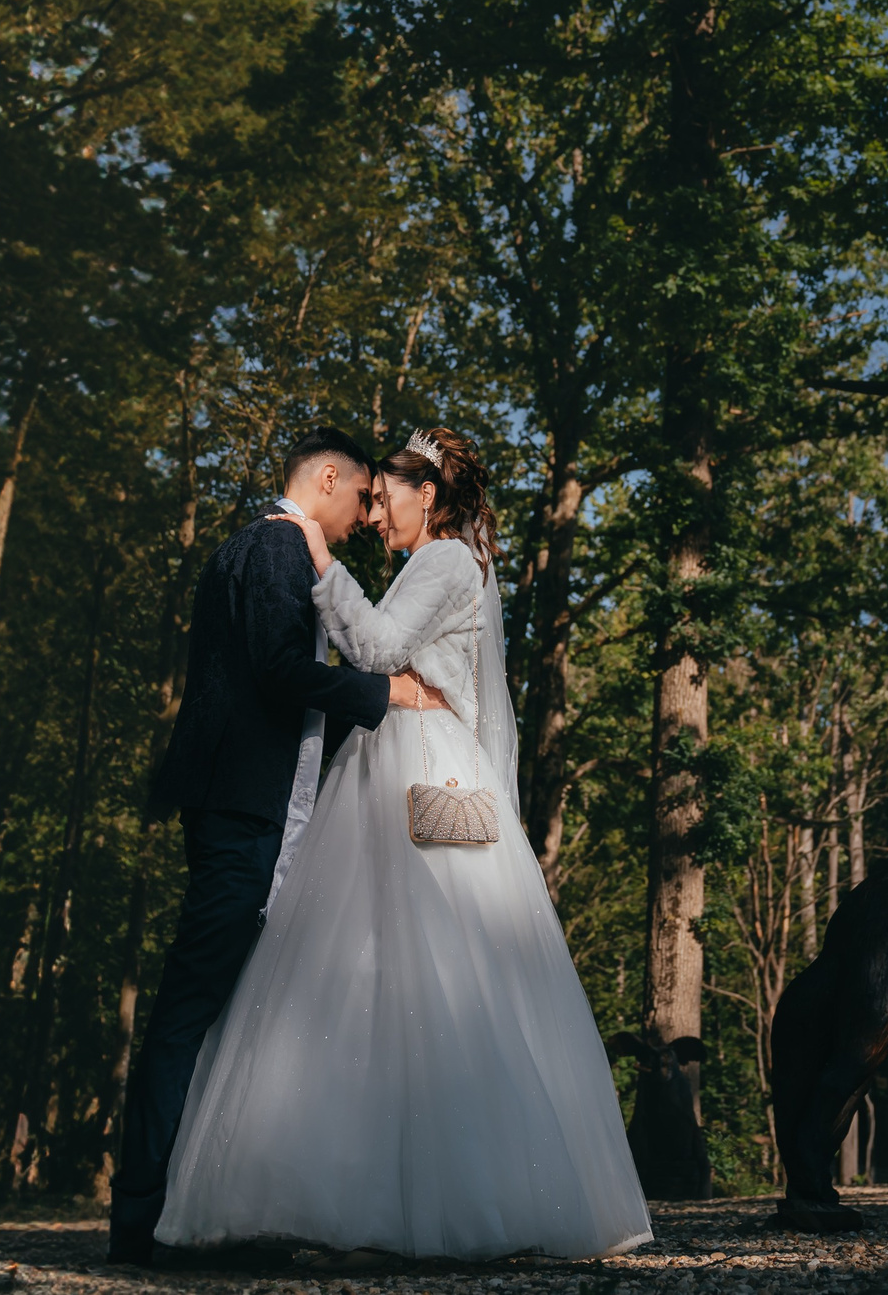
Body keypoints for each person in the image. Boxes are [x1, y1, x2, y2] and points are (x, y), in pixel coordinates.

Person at [154, 426, 651, 1261]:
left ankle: (450, 1195)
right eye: (369, 502)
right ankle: (369, 1182)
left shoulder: (448, 559)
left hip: (418, 770)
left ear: (429, 494)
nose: (375, 517)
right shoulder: (447, 562)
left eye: (383, 500)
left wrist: (320, 557)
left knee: (432, 969)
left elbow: (378, 647)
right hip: (396, 754)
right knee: (373, 974)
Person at [108, 428, 443, 1266]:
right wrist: (386, 693)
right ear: (327, 478)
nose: (366, 515)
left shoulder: (275, 548)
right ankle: (143, 1221)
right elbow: (279, 668)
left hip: (258, 808)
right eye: (361, 496)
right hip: (240, 813)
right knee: (193, 1007)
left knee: (236, 1006)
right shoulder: (273, 546)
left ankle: (203, 1207)